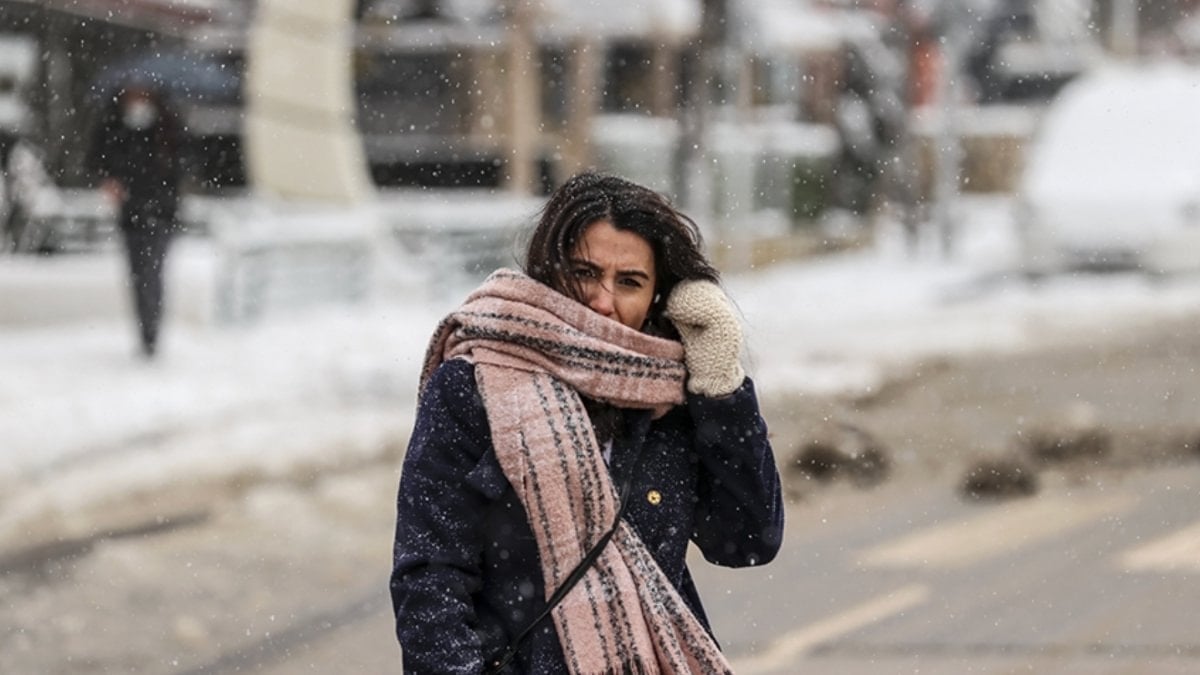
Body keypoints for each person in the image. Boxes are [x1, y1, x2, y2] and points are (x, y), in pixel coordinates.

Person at [390, 172, 784, 673]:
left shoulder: (670, 398)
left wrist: (720, 384)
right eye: (583, 272)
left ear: (659, 296)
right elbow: (430, 576)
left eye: (630, 282)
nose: (603, 300)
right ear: (548, 271)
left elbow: (749, 540)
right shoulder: (474, 385)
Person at [87, 83, 184, 358]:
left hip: (161, 214)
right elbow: (97, 160)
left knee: (151, 273)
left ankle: (151, 332)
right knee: (139, 274)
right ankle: (146, 330)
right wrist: (109, 180)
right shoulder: (114, 125)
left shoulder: (168, 125)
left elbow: (182, 164)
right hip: (131, 215)